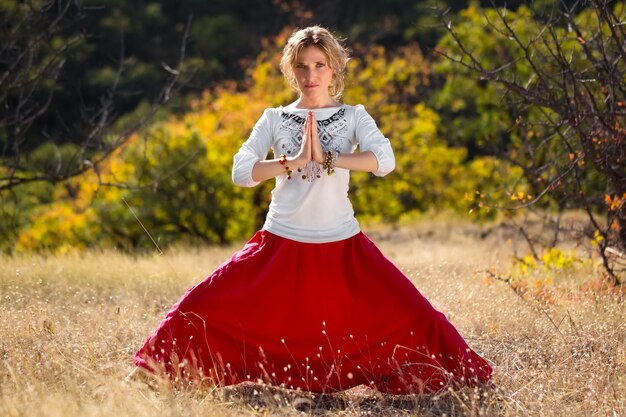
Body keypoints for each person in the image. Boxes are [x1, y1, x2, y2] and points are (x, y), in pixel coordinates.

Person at [132, 26, 492, 394]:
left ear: (334, 69)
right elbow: (241, 172)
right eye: (302, 66)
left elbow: (385, 161)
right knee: (197, 307)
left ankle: (468, 383)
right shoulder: (274, 118)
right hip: (278, 244)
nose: (310, 75)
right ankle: (148, 375)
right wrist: (292, 161)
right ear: (292, 70)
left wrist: (330, 157)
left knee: (418, 315)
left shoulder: (353, 116)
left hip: (343, 246)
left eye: (319, 65)